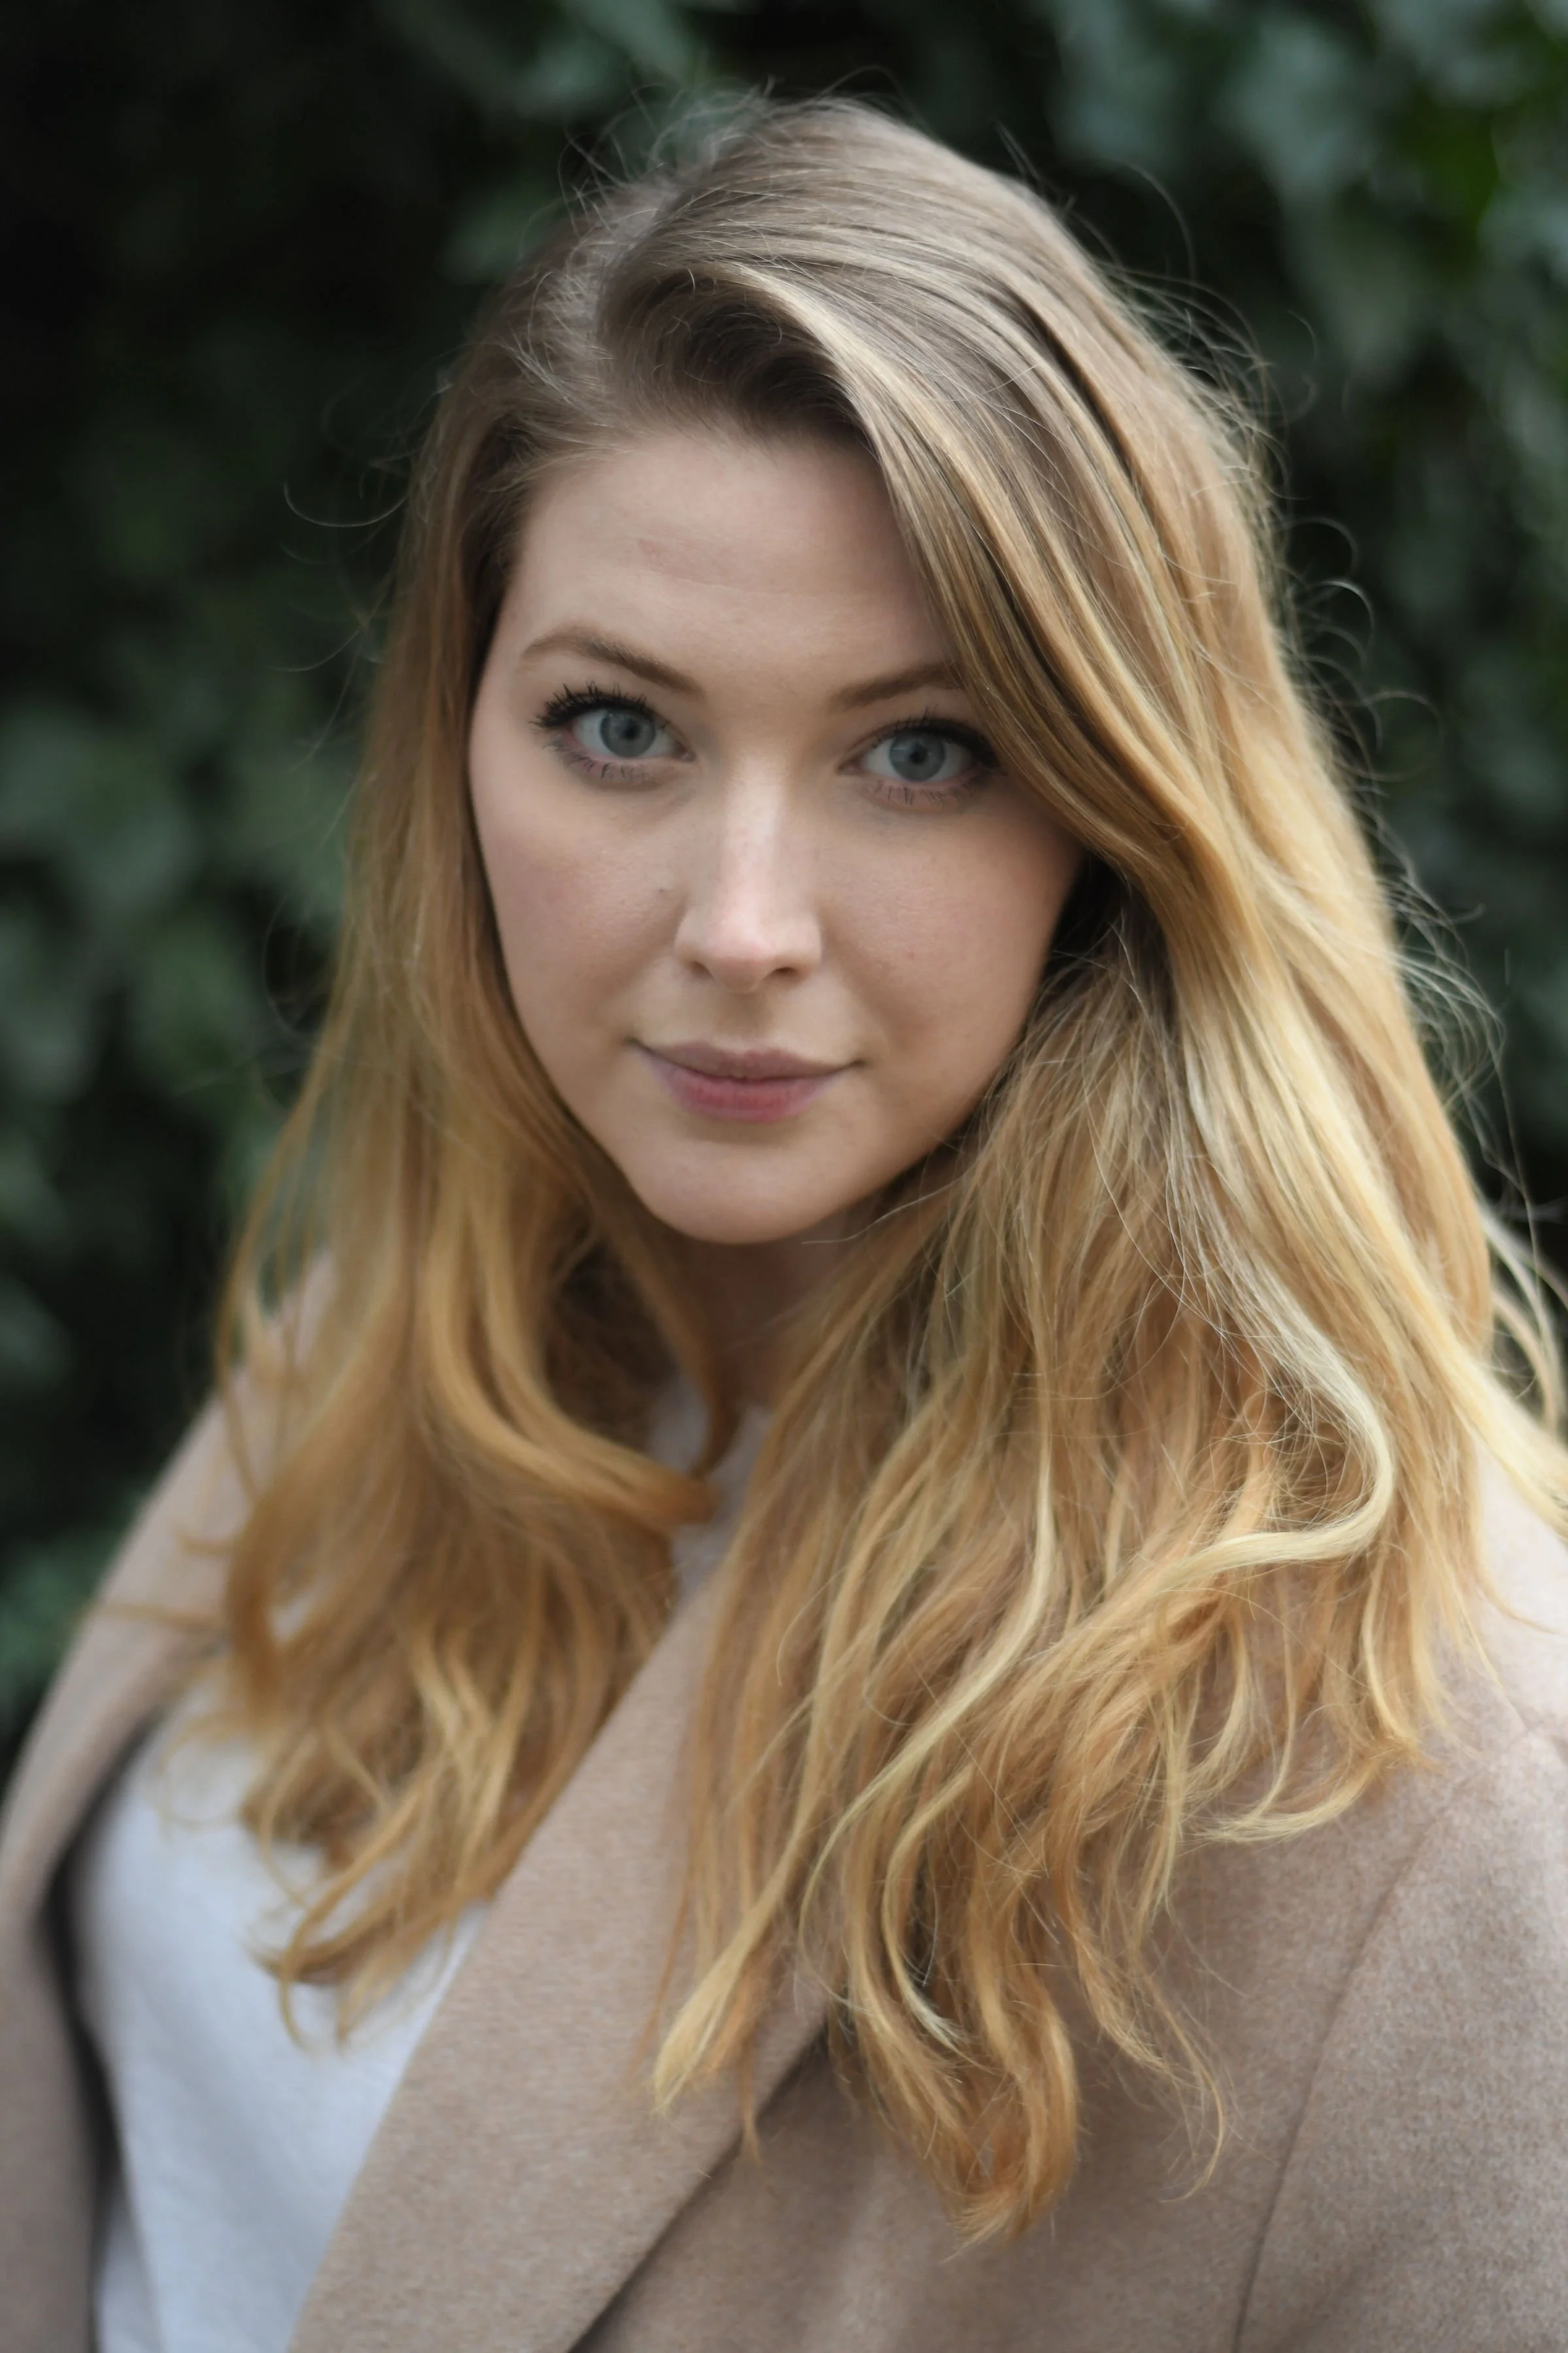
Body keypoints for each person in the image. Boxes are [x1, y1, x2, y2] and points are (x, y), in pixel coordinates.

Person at [3, 97, 1567, 2353]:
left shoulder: (1409, 1792)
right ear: (458, 742)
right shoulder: (400, 1337)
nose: (741, 927)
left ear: (1120, 811)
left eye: (916, 751)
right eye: (617, 728)